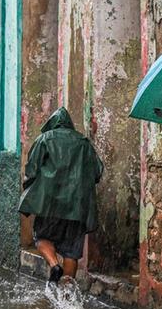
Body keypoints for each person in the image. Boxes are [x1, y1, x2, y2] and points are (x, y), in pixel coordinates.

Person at [19, 107, 103, 284]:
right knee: (71, 252)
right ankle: (67, 293)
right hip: (78, 207)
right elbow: (97, 172)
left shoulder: (44, 139)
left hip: (50, 204)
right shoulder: (84, 142)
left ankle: (54, 265)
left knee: (41, 238)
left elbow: (31, 170)